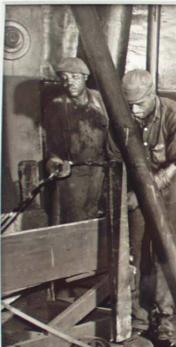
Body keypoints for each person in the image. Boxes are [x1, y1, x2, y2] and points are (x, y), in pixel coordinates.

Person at [117, 69, 176, 338]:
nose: (134, 110)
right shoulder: (126, 117)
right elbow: (119, 158)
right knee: (135, 250)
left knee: (165, 250)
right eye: (129, 105)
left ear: (152, 94)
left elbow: (175, 166)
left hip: (169, 190)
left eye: (139, 103)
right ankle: (137, 314)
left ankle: (164, 315)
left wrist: (144, 194)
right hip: (137, 189)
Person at [43, 57, 109, 224]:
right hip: (72, 174)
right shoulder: (56, 106)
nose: (69, 82)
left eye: (75, 77)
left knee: (102, 219)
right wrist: (55, 162)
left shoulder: (101, 101)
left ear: (85, 78)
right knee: (73, 221)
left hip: (101, 170)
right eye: (64, 78)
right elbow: (52, 147)